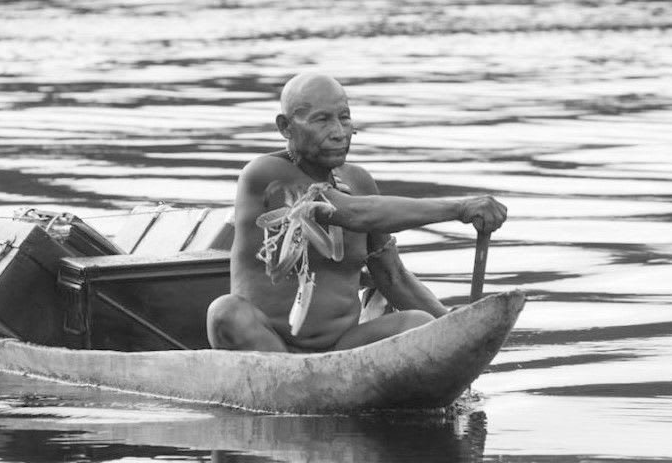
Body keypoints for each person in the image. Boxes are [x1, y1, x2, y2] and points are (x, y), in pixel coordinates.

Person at [206, 72, 506, 352]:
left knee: (419, 323)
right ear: (286, 127)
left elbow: (393, 277)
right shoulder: (265, 175)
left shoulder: (358, 182)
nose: (338, 132)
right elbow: (353, 213)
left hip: (341, 352)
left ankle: (326, 381)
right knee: (225, 311)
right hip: (266, 347)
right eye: (322, 120)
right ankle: (294, 382)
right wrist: (460, 208)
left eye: (344, 118)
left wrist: (456, 325)